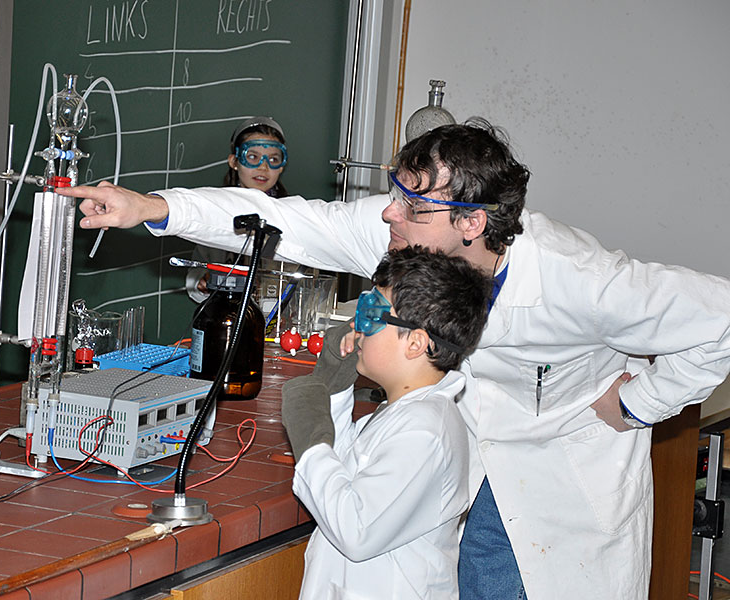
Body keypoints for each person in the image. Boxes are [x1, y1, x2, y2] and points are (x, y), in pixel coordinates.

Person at [57, 118, 730, 599]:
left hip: (559, 480)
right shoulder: (409, 236)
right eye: (394, 195)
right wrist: (156, 206)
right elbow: (293, 221)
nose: (389, 217)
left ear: (472, 222)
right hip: (459, 456)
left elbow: (720, 318)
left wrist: (640, 401)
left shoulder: (579, 277)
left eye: (412, 206)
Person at [281, 245, 491, 599]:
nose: (358, 326)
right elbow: (344, 471)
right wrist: (335, 384)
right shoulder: (403, 412)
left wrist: (311, 441)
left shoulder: (425, 431)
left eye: (372, 315)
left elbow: (356, 530)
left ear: (416, 343)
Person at [185, 116, 289, 302]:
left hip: (276, 316)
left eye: (273, 159)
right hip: (225, 314)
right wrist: (203, 281)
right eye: (252, 157)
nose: (263, 167)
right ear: (234, 161)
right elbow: (195, 277)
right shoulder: (216, 211)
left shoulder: (291, 215)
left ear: (281, 167)